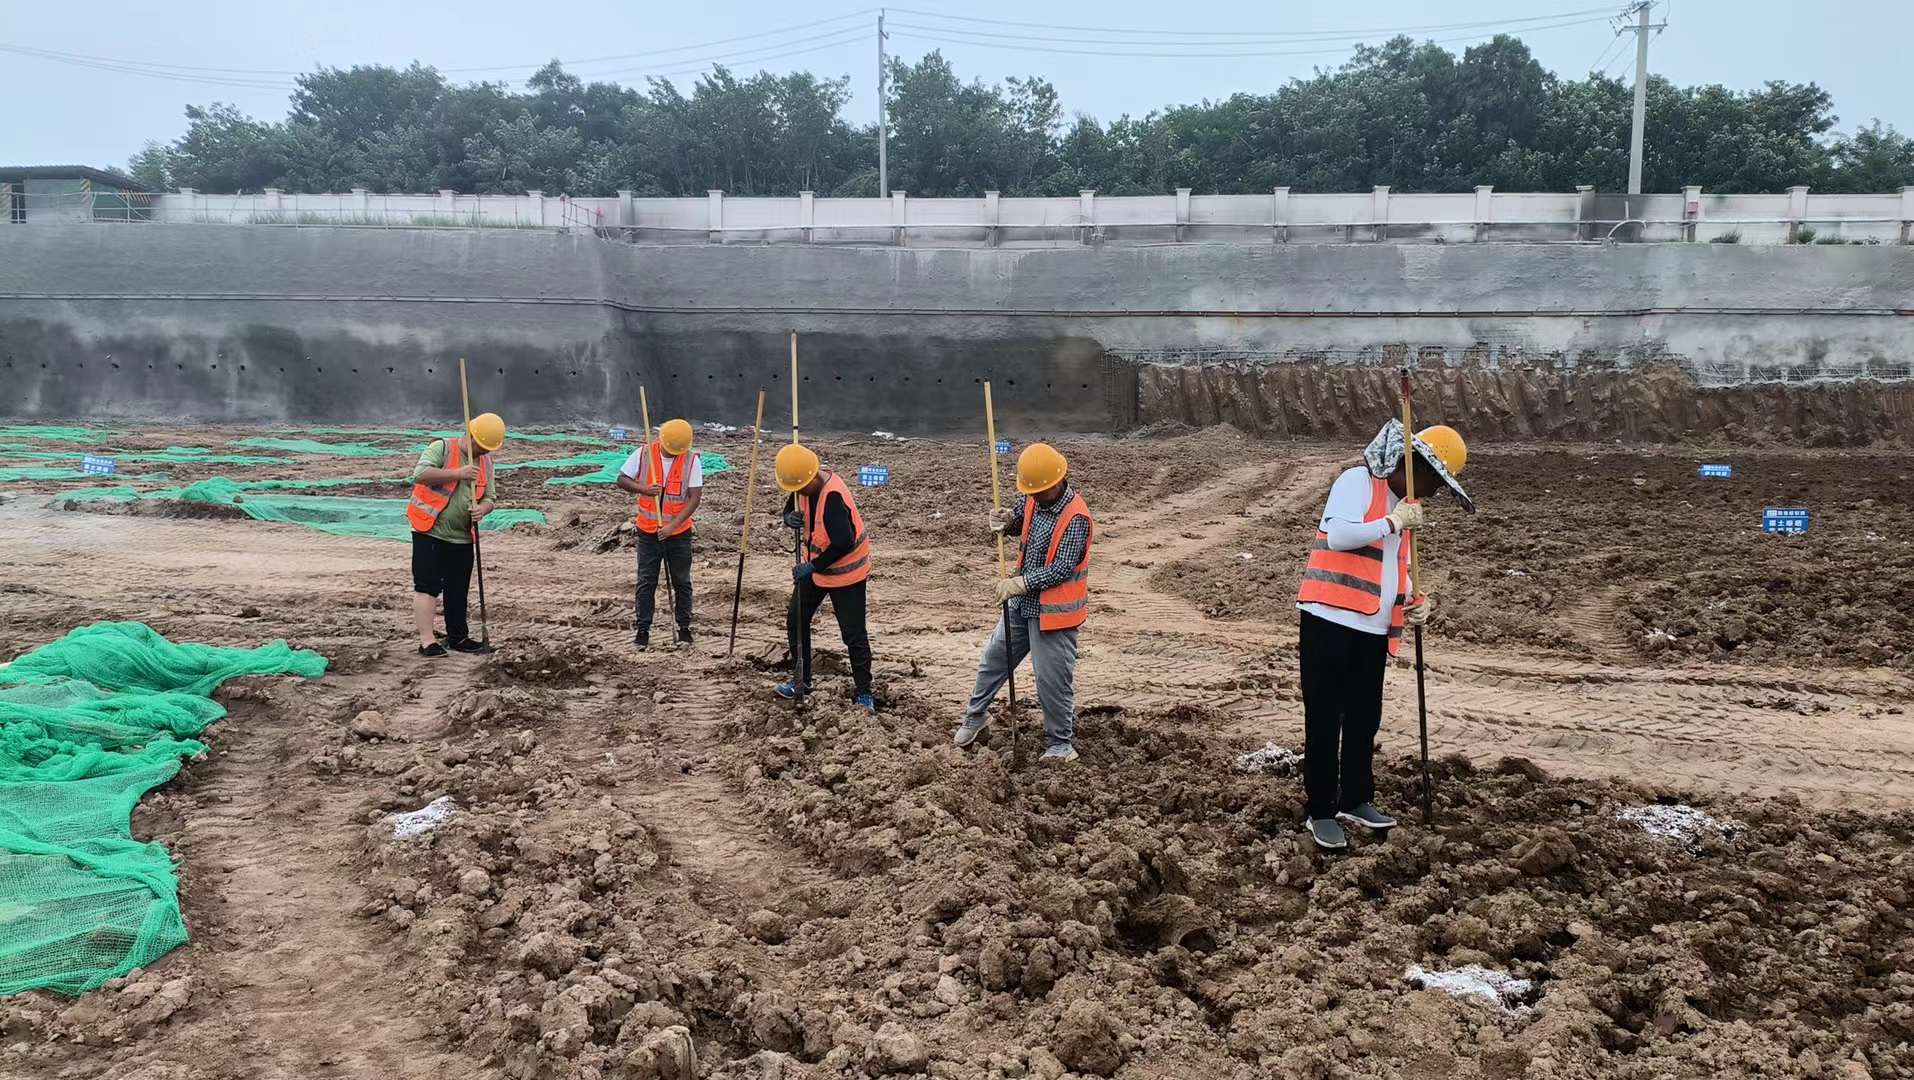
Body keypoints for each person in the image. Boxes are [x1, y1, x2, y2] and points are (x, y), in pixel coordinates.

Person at [1294, 420, 1473, 851]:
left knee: (1363, 718)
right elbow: (1339, 536)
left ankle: (1356, 799)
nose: (1433, 494)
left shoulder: (1405, 512)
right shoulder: (1359, 482)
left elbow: (1392, 569)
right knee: (1324, 718)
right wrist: (1392, 522)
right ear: (1416, 467)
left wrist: (1414, 599)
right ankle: (1321, 810)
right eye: (1435, 483)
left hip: (1371, 630)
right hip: (1330, 622)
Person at [953, 443, 1094, 764]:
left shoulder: (1077, 518)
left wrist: (1019, 583)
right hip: (1021, 606)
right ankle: (976, 718)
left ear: (1060, 479)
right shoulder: (1032, 495)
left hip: (1055, 614)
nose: (1037, 496)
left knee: (1051, 681)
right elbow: (1021, 518)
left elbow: (1061, 568)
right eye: (1033, 491)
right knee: (993, 660)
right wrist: (1007, 520)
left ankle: (1060, 744)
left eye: (1043, 491)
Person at [772, 442, 874, 711]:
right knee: (797, 619)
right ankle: (802, 680)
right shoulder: (801, 485)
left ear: (812, 476)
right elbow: (791, 506)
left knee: (853, 635)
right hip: (815, 570)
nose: (797, 492)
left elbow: (843, 542)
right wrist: (788, 518)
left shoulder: (833, 498)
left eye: (800, 488)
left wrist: (813, 567)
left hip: (846, 573)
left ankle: (865, 693)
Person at [407, 413, 507, 658]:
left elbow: (490, 497)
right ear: (470, 435)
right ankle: (427, 641)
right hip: (430, 529)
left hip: (462, 536)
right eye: (480, 447)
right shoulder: (442, 448)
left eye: (486, 450)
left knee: (458, 589)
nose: (482, 453)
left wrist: (483, 509)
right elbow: (419, 474)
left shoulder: (486, 462)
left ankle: (458, 637)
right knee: (428, 586)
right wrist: (458, 473)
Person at [616, 418, 702, 650]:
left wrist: (673, 526)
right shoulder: (644, 453)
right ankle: (643, 630)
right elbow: (621, 479)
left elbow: (694, 497)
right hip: (647, 532)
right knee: (646, 581)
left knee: (682, 581)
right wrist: (644, 489)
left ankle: (684, 629)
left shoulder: (691, 460)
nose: (673, 454)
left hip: (678, 533)